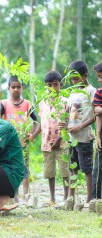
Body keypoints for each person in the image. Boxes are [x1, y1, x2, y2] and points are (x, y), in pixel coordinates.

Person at [29, 71, 70, 206]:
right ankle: (52, 198)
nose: (53, 88)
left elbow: (67, 122)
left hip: (62, 143)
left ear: (60, 85)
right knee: (49, 171)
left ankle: (66, 197)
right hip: (47, 144)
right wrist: (34, 135)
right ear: (45, 86)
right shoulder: (43, 102)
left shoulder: (65, 101)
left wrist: (58, 140)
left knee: (65, 170)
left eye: (55, 85)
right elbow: (42, 122)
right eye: (49, 85)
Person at [0, 76, 38, 200]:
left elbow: (36, 121)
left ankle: (26, 194)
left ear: (22, 88)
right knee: (10, 169)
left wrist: (32, 135)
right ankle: (14, 194)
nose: (15, 89)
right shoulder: (4, 103)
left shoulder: (27, 104)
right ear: (8, 88)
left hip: (23, 143)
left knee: (24, 168)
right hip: (8, 144)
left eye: (18, 87)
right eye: (13, 87)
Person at [62, 61, 95, 203]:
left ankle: (89, 199)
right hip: (71, 138)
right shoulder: (72, 92)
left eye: (76, 79)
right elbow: (68, 112)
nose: (74, 82)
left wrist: (80, 126)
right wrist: (63, 124)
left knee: (87, 169)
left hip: (84, 138)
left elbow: (95, 114)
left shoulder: (90, 91)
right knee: (72, 167)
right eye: (72, 79)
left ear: (85, 75)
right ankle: (71, 197)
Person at [91, 62, 102, 201]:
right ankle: (96, 199)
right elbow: (98, 115)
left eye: (101, 76)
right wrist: (98, 135)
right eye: (98, 77)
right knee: (98, 169)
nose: (99, 80)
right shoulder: (99, 92)